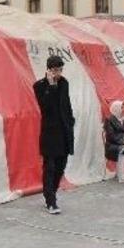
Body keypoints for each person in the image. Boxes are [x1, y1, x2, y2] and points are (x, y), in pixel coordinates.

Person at [33, 56, 75, 215]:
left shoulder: (64, 83)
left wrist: (71, 122)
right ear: (49, 70)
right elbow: (45, 107)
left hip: (64, 132)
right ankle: (50, 201)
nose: (58, 73)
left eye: (60, 70)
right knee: (49, 168)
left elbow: (67, 104)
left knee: (60, 167)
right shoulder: (39, 86)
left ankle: (52, 193)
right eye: (56, 70)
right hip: (50, 134)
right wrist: (51, 86)